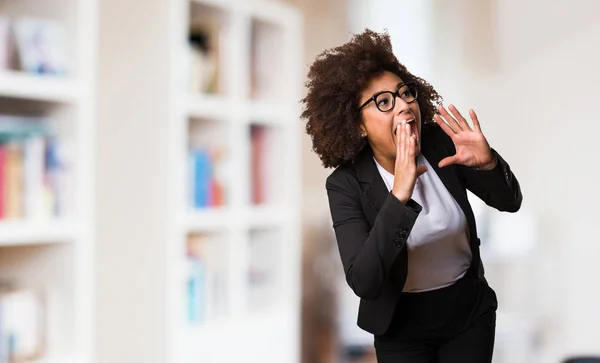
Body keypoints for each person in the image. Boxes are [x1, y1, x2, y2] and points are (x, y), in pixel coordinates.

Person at [300, 29, 522, 363]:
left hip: (468, 313)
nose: (404, 105)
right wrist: (399, 195)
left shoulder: (441, 143)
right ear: (357, 124)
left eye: (405, 94)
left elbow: (510, 202)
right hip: (400, 328)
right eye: (384, 102)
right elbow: (364, 280)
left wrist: (488, 162)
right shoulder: (345, 185)